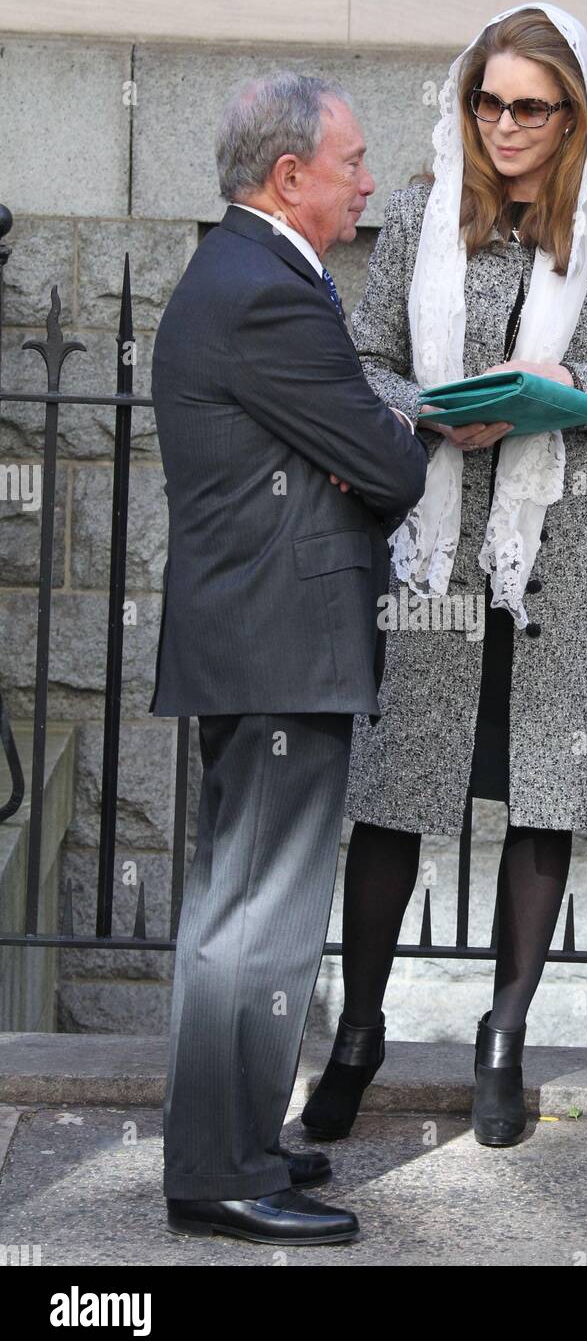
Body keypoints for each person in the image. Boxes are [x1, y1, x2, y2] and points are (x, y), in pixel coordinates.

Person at [302, 2, 587, 1148]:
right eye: (488, 101)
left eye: (529, 105)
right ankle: (358, 1036)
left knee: (543, 801)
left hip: (563, 557)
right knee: (392, 798)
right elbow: (360, 362)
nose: (505, 124)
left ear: (571, 112)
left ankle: (503, 1038)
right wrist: (428, 410)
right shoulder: (426, 213)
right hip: (433, 543)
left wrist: (569, 380)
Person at [148, 72, 428, 1244]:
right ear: (290, 177)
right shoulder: (267, 291)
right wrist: (374, 449)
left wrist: (355, 452)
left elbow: (353, 452)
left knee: (252, 908)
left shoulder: (255, 277)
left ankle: (245, 1142)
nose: (369, 181)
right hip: (274, 646)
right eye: (355, 161)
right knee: (253, 919)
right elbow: (391, 465)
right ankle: (217, 1171)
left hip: (267, 640)